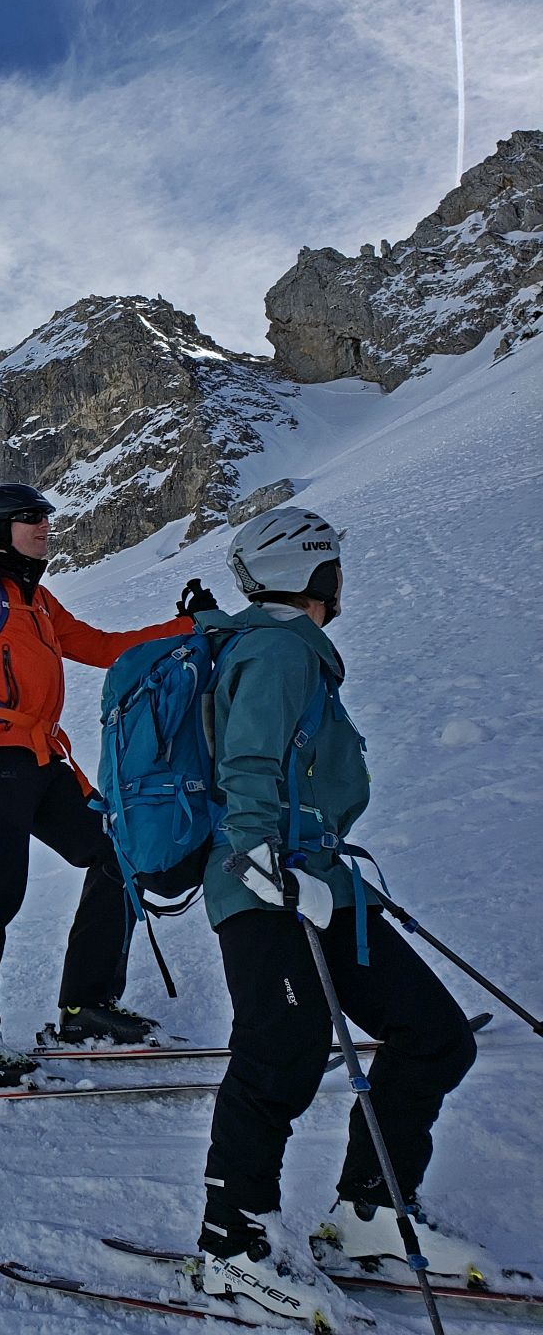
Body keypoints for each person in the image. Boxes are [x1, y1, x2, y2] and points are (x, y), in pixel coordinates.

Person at [193, 508, 481, 1318]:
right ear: (312, 570)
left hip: (320, 879)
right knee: (280, 1052)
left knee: (434, 1036)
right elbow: (247, 761)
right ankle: (229, 1244)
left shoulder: (297, 651)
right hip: (266, 883)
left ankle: (368, 1210)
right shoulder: (279, 647)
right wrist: (261, 860)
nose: (342, 579)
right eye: (335, 566)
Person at [0, 482, 212, 1085]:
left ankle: (84, 1008)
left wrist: (184, 626)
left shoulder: (34, 600)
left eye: (44, 517)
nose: (45, 526)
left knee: (118, 852)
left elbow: (101, 647)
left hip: (41, 758)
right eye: (30, 518)